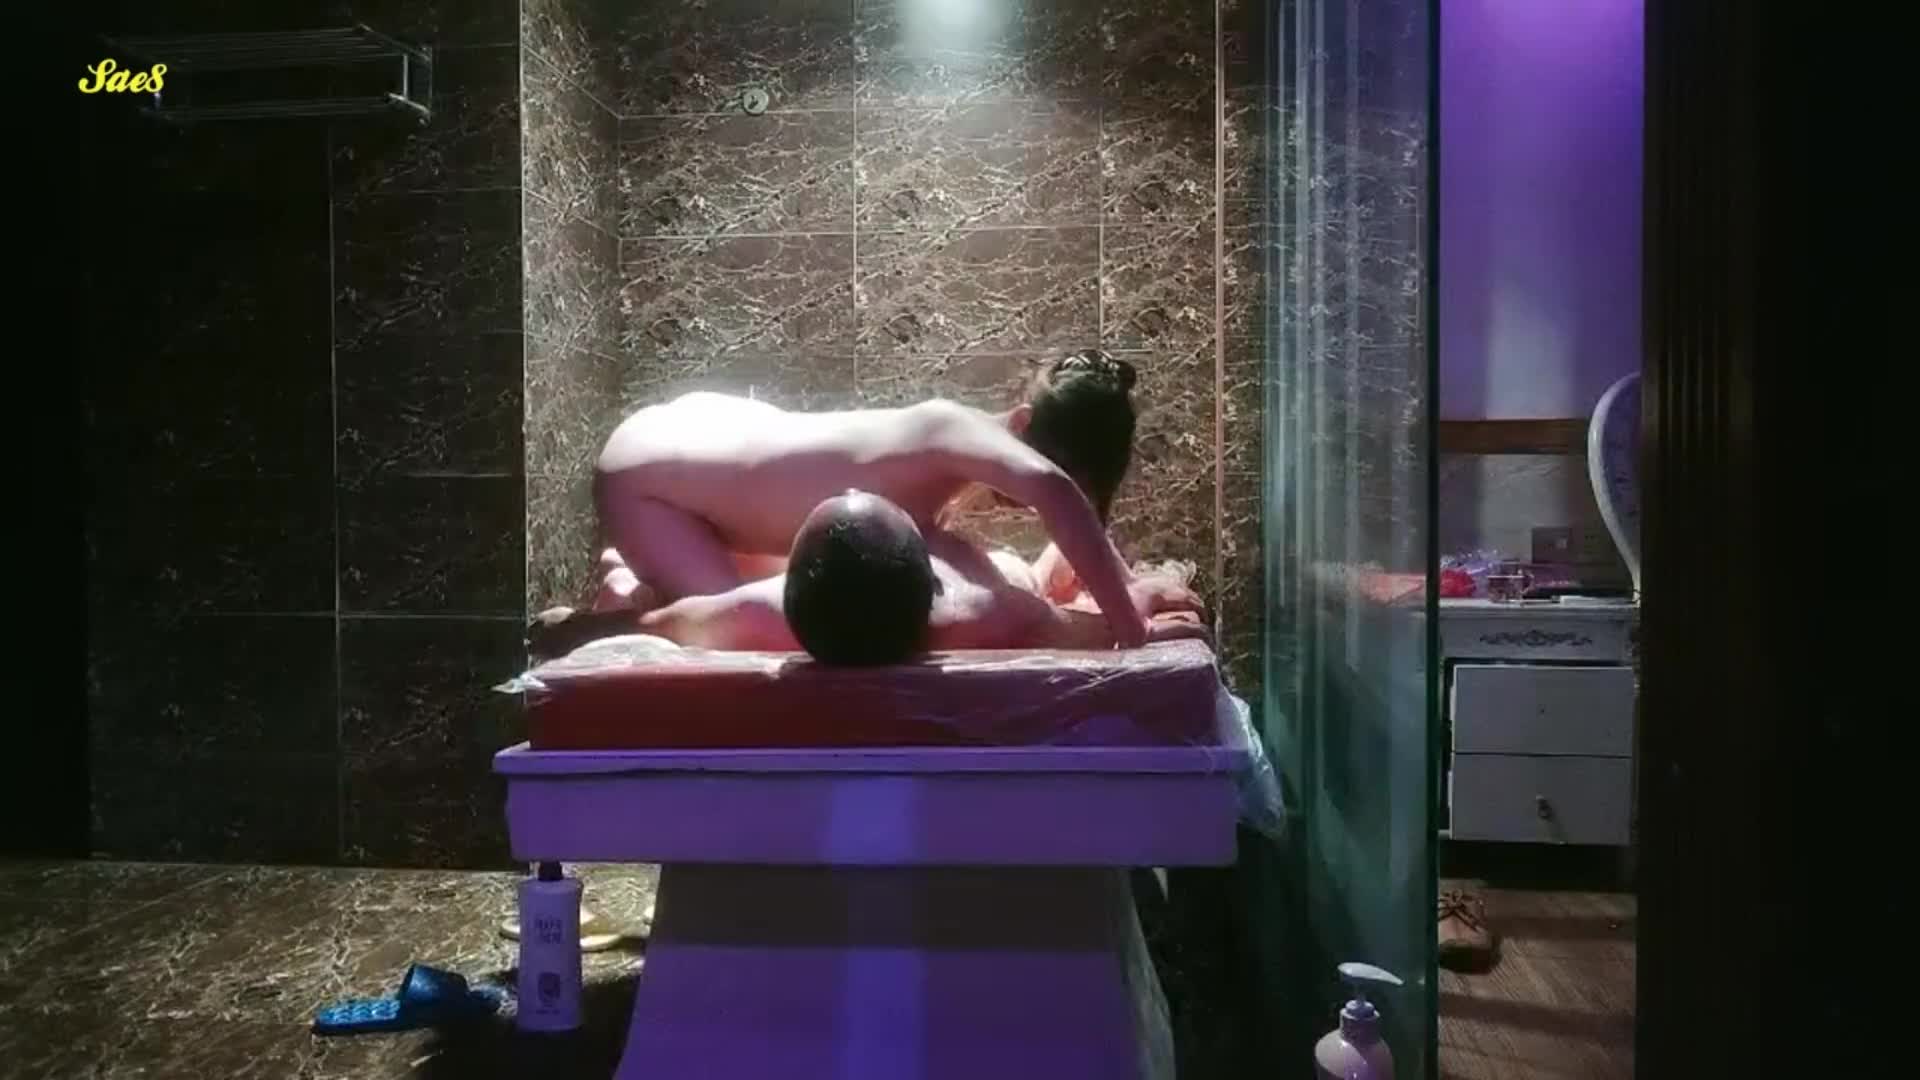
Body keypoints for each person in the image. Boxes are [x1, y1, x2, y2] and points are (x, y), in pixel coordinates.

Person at [558, 348, 1202, 652]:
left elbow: (1061, 500)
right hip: (646, 483)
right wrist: (1130, 621)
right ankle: (608, 618)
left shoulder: (936, 464)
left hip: (696, 440)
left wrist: (1119, 580)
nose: (1030, 510)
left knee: (800, 582)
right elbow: (1055, 491)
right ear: (1020, 423)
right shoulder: (953, 429)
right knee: (739, 634)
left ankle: (632, 579)